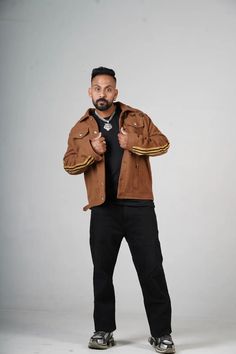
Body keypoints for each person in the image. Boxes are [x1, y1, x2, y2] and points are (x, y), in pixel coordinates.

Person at [63, 66, 175, 353]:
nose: (103, 94)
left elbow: (163, 144)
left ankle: (161, 334)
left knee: (151, 270)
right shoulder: (80, 129)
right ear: (90, 92)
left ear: (116, 91)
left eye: (108, 88)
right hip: (103, 210)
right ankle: (103, 330)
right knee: (102, 272)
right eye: (97, 88)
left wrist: (133, 142)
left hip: (139, 206)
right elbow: (69, 165)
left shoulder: (137, 118)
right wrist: (92, 150)